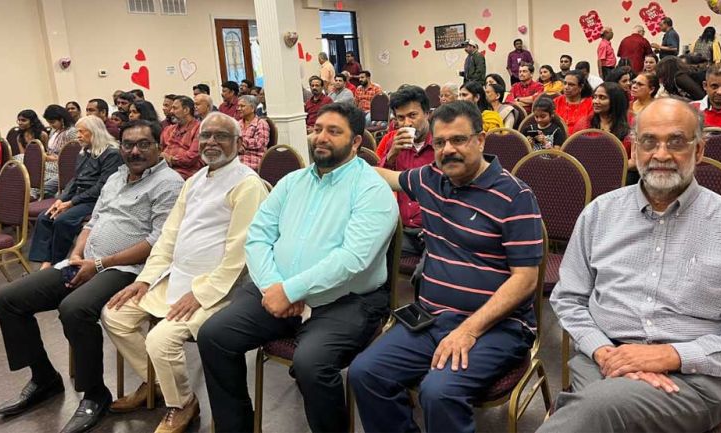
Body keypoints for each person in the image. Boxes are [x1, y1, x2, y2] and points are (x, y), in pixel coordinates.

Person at [539, 97, 721, 433]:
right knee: (600, 407)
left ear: (699, 151)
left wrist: (670, 356)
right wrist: (604, 352)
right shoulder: (600, 214)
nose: (661, 154)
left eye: (676, 142)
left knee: (596, 409)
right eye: (649, 142)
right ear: (634, 150)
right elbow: (569, 299)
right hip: (603, 362)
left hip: (697, 379)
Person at [197, 102, 398, 433]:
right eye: (317, 129)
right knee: (214, 336)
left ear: (356, 142)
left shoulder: (372, 190)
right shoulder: (292, 182)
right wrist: (274, 287)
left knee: (311, 365)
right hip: (274, 287)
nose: (321, 137)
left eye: (334, 131)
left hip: (346, 301)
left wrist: (291, 291)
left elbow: (353, 259)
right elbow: (257, 237)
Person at [350, 100, 543, 433]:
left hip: (498, 326)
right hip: (432, 317)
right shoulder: (430, 179)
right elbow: (386, 177)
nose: (448, 149)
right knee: (365, 372)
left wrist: (469, 329)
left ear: (480, 140)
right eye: (439, 142)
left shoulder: (515, 196)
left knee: (439, 392)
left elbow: (525, 280)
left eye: (458, 140)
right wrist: (340, 164)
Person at [0, 119, 183, 433]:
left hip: (127, 269)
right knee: (8, 299)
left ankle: (95, 393)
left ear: (158, 146)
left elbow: (157, 242)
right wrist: (77, 254)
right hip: (86, 261)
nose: (135, 151)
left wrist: (99, 264)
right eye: (128, 145)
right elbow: (93, 222)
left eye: (143, 144)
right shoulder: (116, 177)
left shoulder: (170, 184)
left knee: (75, 309)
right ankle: (44, 378)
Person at [102, 112, 267, 433]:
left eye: (221, 136)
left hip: (220, 290)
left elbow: (241, 255)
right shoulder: (194, 181)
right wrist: (145, 279)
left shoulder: (248, 185)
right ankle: (158, 385)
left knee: (160, 340)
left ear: (239, 143)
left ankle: (181, 404)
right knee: (115, 314)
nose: (211, 142)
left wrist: (201, 293)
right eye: (205, 136)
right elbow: (168, 238)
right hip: (175, 278)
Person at [28, 115, 124, 267]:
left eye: (81, 131)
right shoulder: (85, 151)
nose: (78, 135)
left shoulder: (112, 154)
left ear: (95, 131)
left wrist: (71, 203)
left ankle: (56, 263)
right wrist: (61, 199)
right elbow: (75, 180)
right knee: (45, 217)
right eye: (77, 131)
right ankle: (46, 262)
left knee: (62, 220)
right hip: (79, 197)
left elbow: (102, 187)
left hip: (96, 200)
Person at [376, 86, 434, 258]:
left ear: (427, 114)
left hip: (434, 230)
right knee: (370, 255)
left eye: (412, 115)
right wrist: (391, 155)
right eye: (400, 118)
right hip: (403, 229)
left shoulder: (441, 143)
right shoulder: (394, 142)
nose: (406, 123)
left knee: (430, 267)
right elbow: (378, 184)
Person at [573, 82, 635, 178]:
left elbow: (635, 161)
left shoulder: (632, 124)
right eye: (595, 97)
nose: (595, 101)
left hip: (622, 174)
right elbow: (574, 154)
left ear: (615, 101)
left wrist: (607, 171)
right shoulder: (584, 123)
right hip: (588, 174)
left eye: (602, 98)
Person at [161, 96, 202, 179]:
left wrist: (170, 159)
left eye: (175, 108)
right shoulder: (168, 129)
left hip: (186, 174)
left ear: (186, 110)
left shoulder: (199, 128)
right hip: (164, 170)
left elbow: (191, 157)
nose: (171, 111)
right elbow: (159, 152)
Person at [42, 104, 79, 197]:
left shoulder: (71, 132)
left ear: (62, 119)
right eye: (49, 123)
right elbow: (50, 150)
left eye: (53, 122)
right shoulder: (54, 131)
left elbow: (74, 156)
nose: (51, 125)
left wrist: (54, 158)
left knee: (43, 187)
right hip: (49, 164)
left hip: (62, 166)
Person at [236, 95, 270, 170]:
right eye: (238, 106)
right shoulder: (238, 123)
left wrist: (242, 143)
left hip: (253, 159)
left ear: (252, 108)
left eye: (242, 106)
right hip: (237, 158)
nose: (239, 109)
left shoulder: (261, 123)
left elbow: (261, 143)